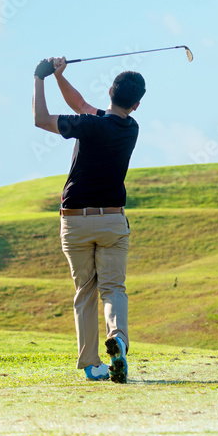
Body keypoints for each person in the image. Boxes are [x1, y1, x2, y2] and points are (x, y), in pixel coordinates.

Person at [32, 55, 144, 383]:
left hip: (75, 221)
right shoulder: (130, 128)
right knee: (113, 288)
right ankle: (118, 338)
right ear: (135, 105)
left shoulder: (88, 124)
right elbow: (80, 103)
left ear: (110, 91)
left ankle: (93, 365)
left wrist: (39, 78)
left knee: (85, 291)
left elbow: (41, 118)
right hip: (111, 221)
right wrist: (58, 77)